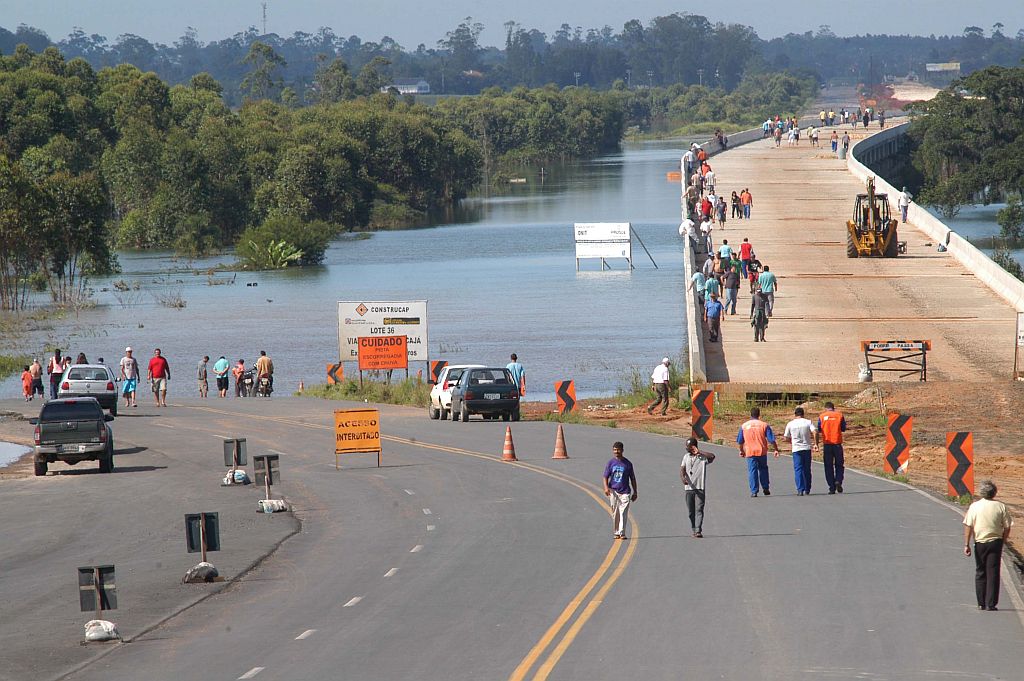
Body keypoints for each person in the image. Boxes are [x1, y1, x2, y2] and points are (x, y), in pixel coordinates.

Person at [963, 481, 1013, 611]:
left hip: (980, 543)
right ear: (994, 492)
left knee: (980, 571)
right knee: (993, 572)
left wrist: (966, 544)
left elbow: (968, 525)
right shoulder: (1000, 506)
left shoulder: (974, 506)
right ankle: (991, 604)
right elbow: (1007, 527)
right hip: (995, 542)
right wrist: (1003, 540)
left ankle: (981, 603)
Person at [737, 407, 779, 497]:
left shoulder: (744, 426)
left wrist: (741, 451)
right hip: (762, 451)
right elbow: (771, 440)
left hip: (750, 452)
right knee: (763, 469)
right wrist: (776, 449)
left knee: (752, 471)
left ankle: (754, 491)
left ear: (750, 415)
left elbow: (740, 441)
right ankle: (765, 487)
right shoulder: (764, 425)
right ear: (759, 415)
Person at [681, 437, 715, 538]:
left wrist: (699, 452)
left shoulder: (702, 457)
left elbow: (712, 456)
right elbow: (682, 469)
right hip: (689, 489)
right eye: (686, 447)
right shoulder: (686, 457)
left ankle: (698, 530)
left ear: (694, 447)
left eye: (689, 447)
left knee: (699, 509)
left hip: (700, 488)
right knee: (691, 512)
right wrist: (683, 478)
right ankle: (693, 528)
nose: (687, 449)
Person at [603, 441, 637, 540]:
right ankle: (616, 532)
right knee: (615, 512)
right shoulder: (610, 463)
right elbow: (605, 476)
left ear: (622, 450)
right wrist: (606, 488)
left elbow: (633, 478)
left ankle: (622, 533)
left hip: (625, 491)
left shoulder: (628, 464)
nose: (616, 451)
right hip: (613, 491)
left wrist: (635, 492)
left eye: (618, 450)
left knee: (623, 512)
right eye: (614, 450)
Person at [783, 407, 817, 495]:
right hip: (806, 448)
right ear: (803, 414)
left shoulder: (790, 424)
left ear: (795, 415)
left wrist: (792, 441)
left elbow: (786, 437)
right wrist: (816, 443)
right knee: (807, 469)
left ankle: (800, 489)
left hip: (796, 449)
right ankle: (807, 488)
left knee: (798, 469)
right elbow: (815, 431)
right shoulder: (808, 422)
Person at [816, 402, 847, 494]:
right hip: (837, 443)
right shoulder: (839, 415)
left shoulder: (822, 416)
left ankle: (831, 487)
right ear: (833, 408)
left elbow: (819, 429)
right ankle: (838, 480)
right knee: (839, 464)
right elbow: (843, 428)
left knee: (828, 466)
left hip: (827, 444)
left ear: (826, 408)